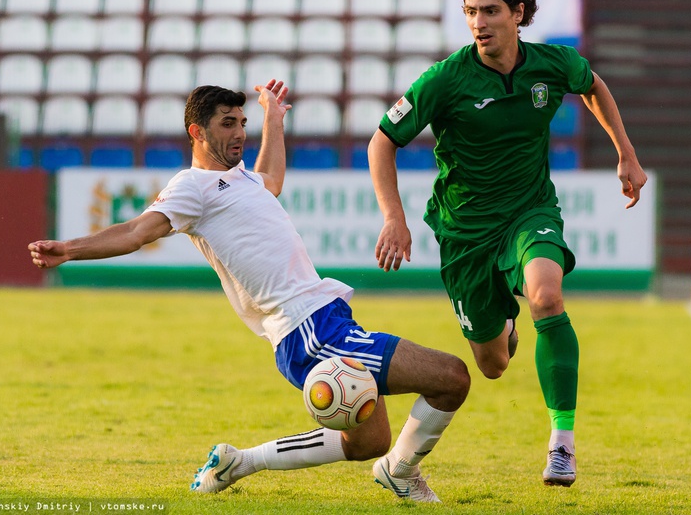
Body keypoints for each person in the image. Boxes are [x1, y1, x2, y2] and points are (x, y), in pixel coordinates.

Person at [28, 80, 471, 503]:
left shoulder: (241, 179)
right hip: (307, 330)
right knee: (451, 377)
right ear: (196, 132)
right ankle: (401, 473)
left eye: (242, 123)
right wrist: (69, 249)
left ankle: (237, 463)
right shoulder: (192, 186)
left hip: (326, 319)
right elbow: (136, 232)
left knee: (369, 442)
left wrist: (273, 119)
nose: (240, 132)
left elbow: (270, 180)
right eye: (228, 124)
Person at [367, 0, 648, 488]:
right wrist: (394, 217)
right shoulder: (446, 79)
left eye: (490, 10)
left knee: (547, 297)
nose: (479, 21)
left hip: (529, 211)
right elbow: (382, 141)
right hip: (465, 235)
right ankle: (506, 327)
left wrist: (626, 155)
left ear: (518, 14)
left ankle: (561, 446)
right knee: (493, 363)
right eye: (471, 11)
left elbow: (592, 86)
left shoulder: (551, 64)